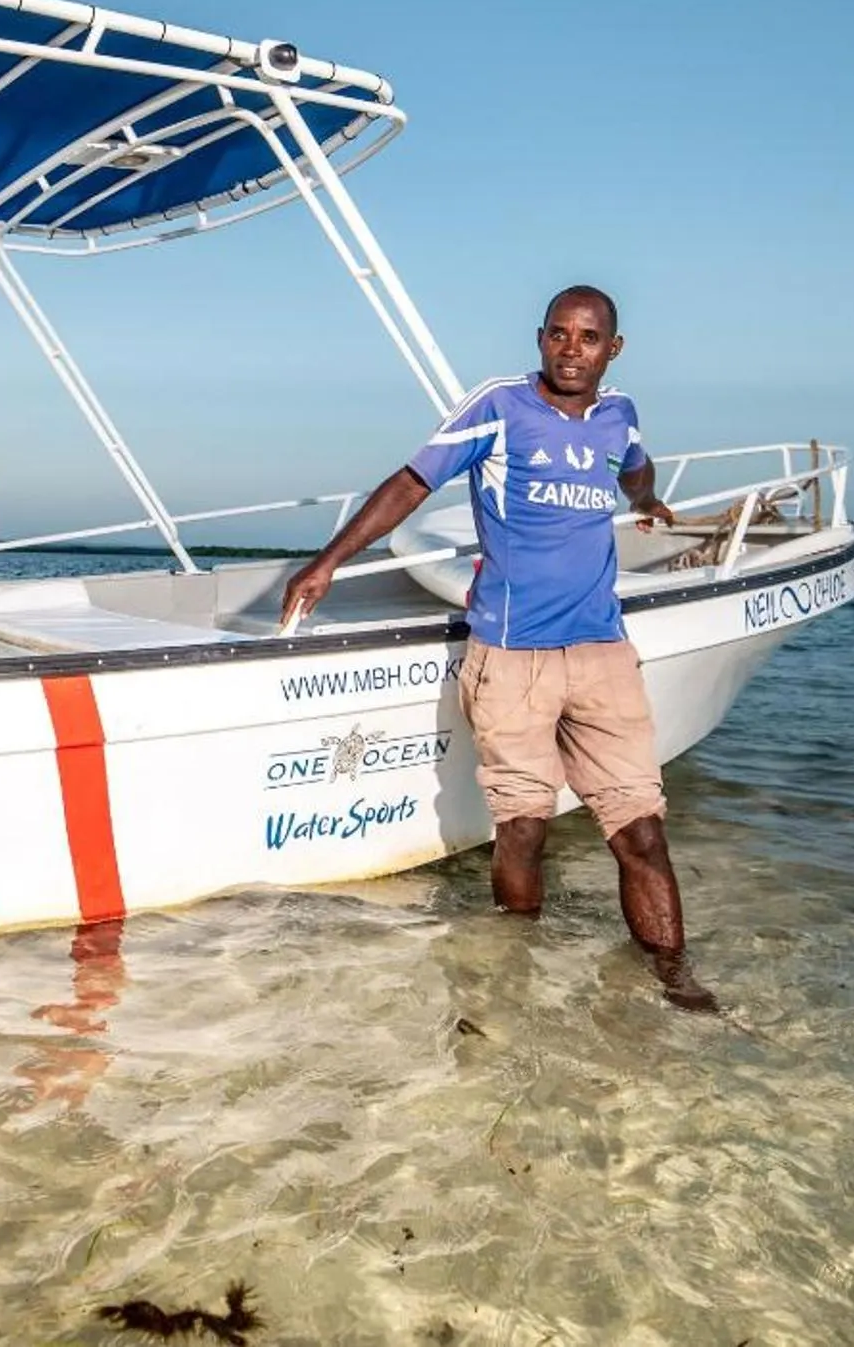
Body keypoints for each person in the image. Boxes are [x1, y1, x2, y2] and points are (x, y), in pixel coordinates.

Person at [277, 285, 716, 1011]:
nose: (570, 349)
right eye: (557, 334)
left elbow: (633, 464)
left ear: (613, 347)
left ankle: (676, 980)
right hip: (512, 656)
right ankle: (513, 970)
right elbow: (412, 482)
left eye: (587, 337)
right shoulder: (499, 406)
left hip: (602, 651)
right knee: (522, 830)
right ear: (540, 337)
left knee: (640, 831)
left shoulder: (618, 413)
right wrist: (329, 560)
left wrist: (645, 502)